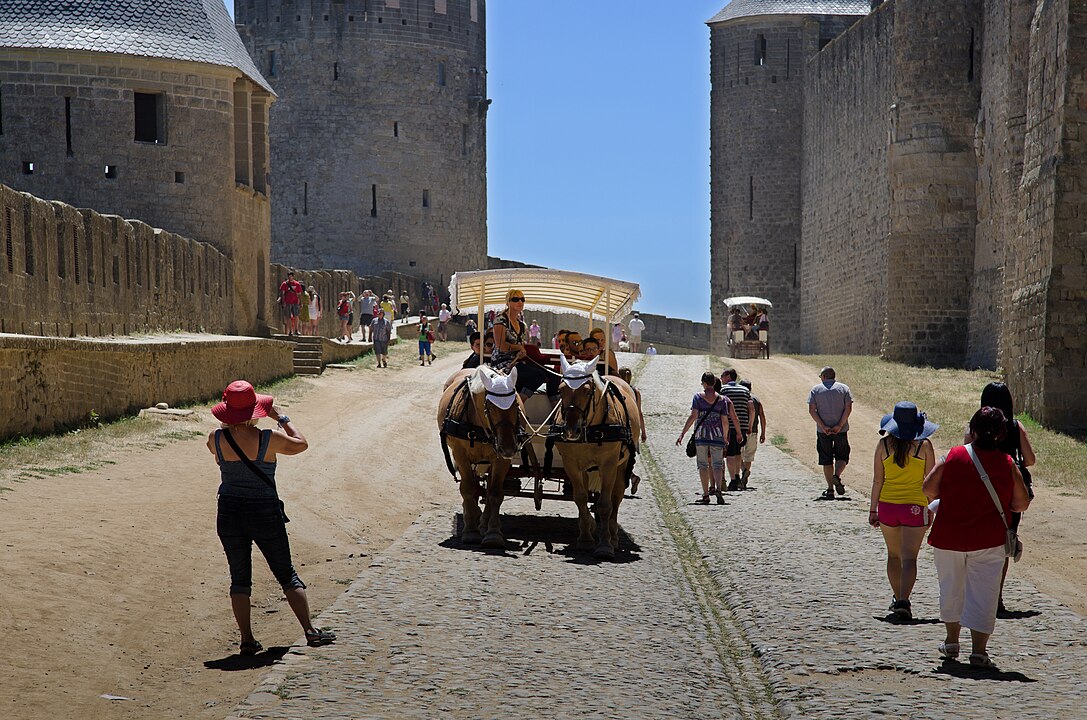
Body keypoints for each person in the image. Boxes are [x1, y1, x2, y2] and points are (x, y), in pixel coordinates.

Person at [206, 380, 335, 654]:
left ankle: (247, 640)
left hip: (229, 511)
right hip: (264, 510)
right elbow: (302, 444)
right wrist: (283, 419)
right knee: (286, 573)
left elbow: (219, 459)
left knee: (239, 578)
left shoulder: (215, 439)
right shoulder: (269, 438)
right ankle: (310, 631)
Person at [923, 407, 1031, 668]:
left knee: (951, 587)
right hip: (989, 539)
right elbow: (1022, 503)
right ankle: (979, 651)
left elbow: (928, 488)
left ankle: (951, 641)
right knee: (984, 593)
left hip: (949, 535)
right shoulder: (1007, 463)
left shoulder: (952, 456)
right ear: (1001, 434)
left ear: (972, 429)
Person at [868, 401, 938, 621]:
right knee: (910, 559)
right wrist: (931, 508)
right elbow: (930, 482)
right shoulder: (924, 446)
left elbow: (878, 480)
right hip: (915, 508)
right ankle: (903, 601)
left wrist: (873, 510)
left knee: (893, 555)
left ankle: (897, 596)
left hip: (888, 506)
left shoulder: (883, 446)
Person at [977, 382, 1036, 614]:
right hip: (1010, 492)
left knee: (982, 544)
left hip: (983, 490)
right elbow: (1029, 460)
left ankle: (981, 594)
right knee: (1004, 544)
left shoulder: (976, 427)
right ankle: (997, 597)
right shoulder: (1015, 427)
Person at [676, 372, 742, 505]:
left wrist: (683, 433)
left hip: (701, 436)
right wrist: (724, 436)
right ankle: (718, 488)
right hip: (717, 436)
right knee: (717, 464)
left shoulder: (698, 397)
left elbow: (693, 416)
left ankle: (706, 494)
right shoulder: (722, 399)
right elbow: (725, 421)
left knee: (703, 465)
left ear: (705, 383)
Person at [492, 289, 558, 399]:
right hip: (503, 364)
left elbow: (521, 345)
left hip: (519, 362)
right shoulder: (500, 320)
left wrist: (521, 350)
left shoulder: (522, 325)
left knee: (553, 375)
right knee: (538, 375)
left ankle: (554, 407)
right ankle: (519, 403)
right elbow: (501, 346)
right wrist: (518, 347)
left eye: (522, 299)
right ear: (508, 302)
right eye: (515, 299)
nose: (520, 302)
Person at [808, 366, 853, 499]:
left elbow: (812, 410)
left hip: (823, 431)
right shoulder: (844, 389)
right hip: (841, 430)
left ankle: (830, 489)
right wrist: (839, 425)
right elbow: (848, 408)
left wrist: (822, 426)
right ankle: (836, 476)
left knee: (826, 459)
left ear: (824, 377)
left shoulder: (816, 390)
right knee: (842, 456)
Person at [719, 368, 753, 491]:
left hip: (729, 425)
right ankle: (738, 476)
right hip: (742, 426)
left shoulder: (724, 390)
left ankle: (733, 480)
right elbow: (750, 407)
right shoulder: (745, 390)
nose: (721, 379)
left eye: (722, 376)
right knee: (738, 452)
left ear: (728, 377)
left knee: (729, 454)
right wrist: (749, 425)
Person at [738, 380, 766, 487]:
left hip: (740, 431)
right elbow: (762, 417)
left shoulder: (740, 398)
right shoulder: (756, 400)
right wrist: (763, 433)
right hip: (753, 431)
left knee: (738, 454)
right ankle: (745, 474)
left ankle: (743, 470)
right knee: (749, 456)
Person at [278, 270, 304, 336]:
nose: (290, 278)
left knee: (296, 316)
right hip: (287, 302)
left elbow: (299, 294)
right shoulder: (284, 284)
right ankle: (290, 331)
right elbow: (282, 293)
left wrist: (300, 303)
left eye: (291, 276)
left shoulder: (297, 284)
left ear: (293, 277)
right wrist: (283, 302)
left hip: (295, 302)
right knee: (288, 317)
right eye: (289, 276)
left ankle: (296, 330)